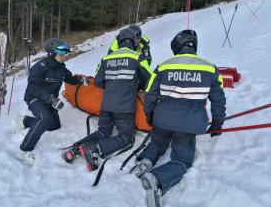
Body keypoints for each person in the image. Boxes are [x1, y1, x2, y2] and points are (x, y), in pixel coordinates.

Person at [131, 29, 226, 207]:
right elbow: (218, 101)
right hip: (188, 125)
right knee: (182, 160)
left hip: (162, 120)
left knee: (157, 143)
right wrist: (217, 124)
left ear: (177, 46)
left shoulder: (163, 66)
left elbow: (150, 95)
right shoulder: (210, 68)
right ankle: (157, 179)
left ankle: (144, 162)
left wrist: (151, 117)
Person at [62, 28, 154, 171]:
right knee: (126, 137)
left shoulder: (106, 58)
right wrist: (136, 86)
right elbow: (150, 80)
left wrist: (113, 87)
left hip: (106, 104)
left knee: (103, 131)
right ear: (134, 42)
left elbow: (98, 81)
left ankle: (75, 149)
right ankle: (95, 148)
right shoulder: (137, 57)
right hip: (125, 106)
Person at [15, 38, 88, 167]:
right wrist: (50, 98)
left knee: (53, 126)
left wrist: (80, 80)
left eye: (65, 52)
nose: (64, 55)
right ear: (52, 53)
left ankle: (25, 121)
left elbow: (69, 78)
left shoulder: (61, 67)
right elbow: (32, 87)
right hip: (34, 97)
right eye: (61, 53)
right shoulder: (40, 67)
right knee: (45, 118)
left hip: (49, 100)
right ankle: (24, 150)